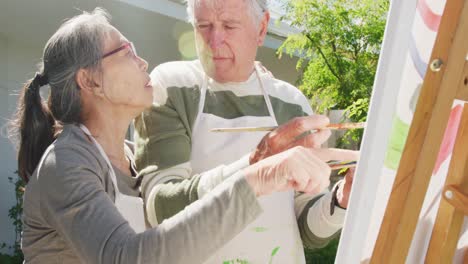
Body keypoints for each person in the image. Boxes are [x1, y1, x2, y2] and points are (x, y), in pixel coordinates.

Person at [10, 8, 354, 264]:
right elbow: (126, 257)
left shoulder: (128, 159)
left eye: (230, 25)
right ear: (90, 81)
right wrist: (258, 176)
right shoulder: (66, 162)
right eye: (126, 52)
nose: (143, 61)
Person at [134, 0, 359, 263]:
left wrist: (342, 200)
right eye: (203, 25)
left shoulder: (292, 102)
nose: (214, 41)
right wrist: (255, 167)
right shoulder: (172, 85)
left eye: (229, 26)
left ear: (262, 28)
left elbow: (306, 230)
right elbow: (159, 209)